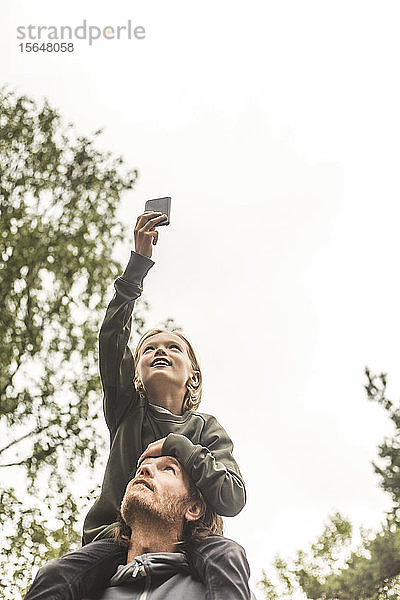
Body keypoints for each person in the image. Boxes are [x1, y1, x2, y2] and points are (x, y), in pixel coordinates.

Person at [24, 211, 250, 600]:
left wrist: (177, 447)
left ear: (193, 376)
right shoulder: (127, 409)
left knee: (229, 555)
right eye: (149, 349)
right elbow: (113, 336)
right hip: (114, 538)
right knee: (54, 576)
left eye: (173, 347)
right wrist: (137, 267)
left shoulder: (207, 430)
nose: (159, 350)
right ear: (135, 374)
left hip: (189, 539)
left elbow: (232, 497)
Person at [29, 455, 253, 600]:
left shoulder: (222, 587)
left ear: (193, 508)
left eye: (167, 469)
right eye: (141, 468)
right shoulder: (80, 591)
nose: (144, 470)